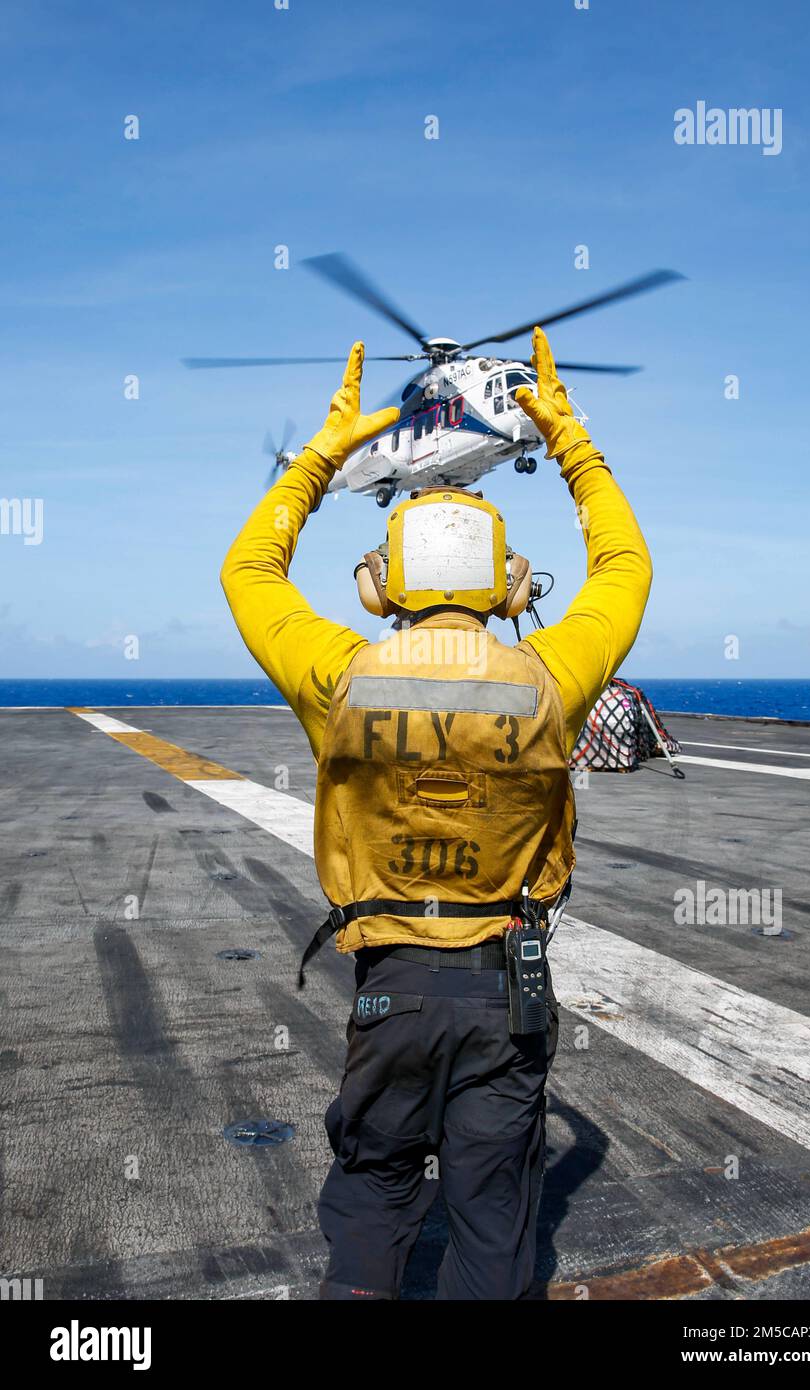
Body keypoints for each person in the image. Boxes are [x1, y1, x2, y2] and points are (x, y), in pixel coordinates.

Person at [220, 328, 652, 1299]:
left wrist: (322, 456)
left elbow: (247, 574)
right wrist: (571, 440)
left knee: (371, 1191)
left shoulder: (342, 676)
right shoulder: (547, 671)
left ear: (379, 584)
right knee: (494, 1213)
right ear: (508, 586)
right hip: (508, 987)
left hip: (389, 988)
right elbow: (623, 565)